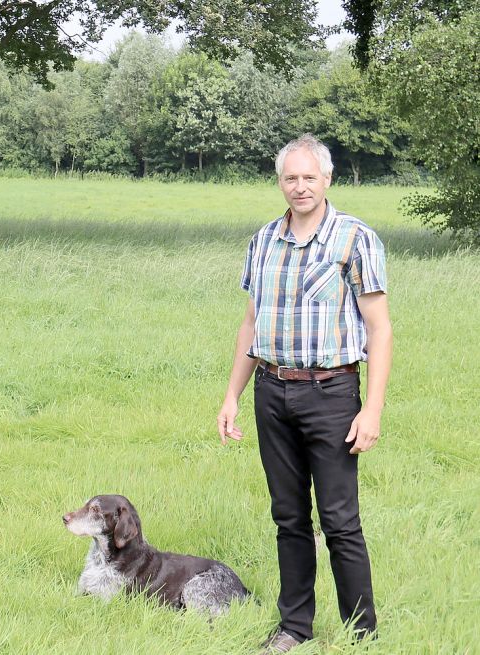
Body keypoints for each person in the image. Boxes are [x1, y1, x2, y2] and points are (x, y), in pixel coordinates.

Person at [217, 135, 392, 653]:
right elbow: (251, 323)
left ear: (327, 179)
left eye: (308, 177)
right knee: (288, 516)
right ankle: (294, 627)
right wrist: (231, 397)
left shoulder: (355, 239)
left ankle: (362, 633)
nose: (299, 187)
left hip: (333, 394)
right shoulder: (263, 240)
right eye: (290, 178)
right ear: (281, 182)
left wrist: (372, 409)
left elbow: (379, 330)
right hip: (272, 392)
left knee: (340, 521)